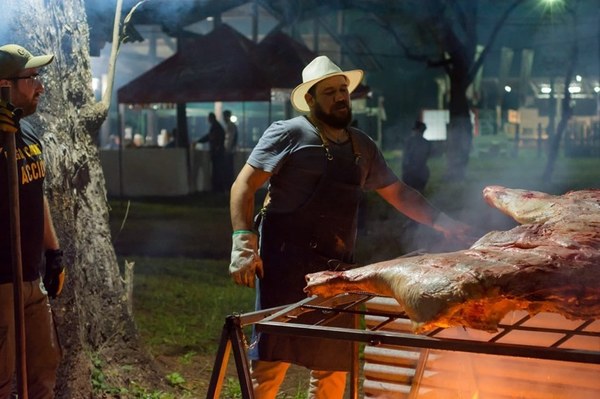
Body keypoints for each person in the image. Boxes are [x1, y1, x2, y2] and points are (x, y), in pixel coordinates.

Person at [229, 55, 470, 398]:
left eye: (343, 89)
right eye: (329, 92)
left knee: (332, 366)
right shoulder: (288, 133)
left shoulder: (362, 146)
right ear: (310, 100)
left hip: (337, 273)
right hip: (284, 270)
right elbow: (243, 186)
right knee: (271, 362)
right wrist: (243, 244)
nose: (340, 97)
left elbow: (399, 192)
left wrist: (442, 222)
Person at [0, 44, 64, 398]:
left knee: (42, 375)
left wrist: (53, 254)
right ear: (3, 85)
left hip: (31, 277)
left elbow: (35, 195)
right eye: (31, 78)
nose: (40, 85)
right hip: (0, 283)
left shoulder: (28, 135)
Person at [197, 112, 226, 192]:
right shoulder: (217, 126)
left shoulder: (215, 127)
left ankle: (218, 187)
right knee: (218, 169)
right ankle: (219, 187)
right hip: (218, 151)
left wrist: (199, 141)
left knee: (217, 170)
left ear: (211, 118)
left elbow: (210, 137)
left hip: (217, 152)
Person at [402, 120, 431, 193]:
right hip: (417, 173)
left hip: (414, 173)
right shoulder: (425, 143)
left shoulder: (410, 141)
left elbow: (406, 159)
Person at [223, 110, 238, 187]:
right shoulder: (230, 125)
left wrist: (227, 150)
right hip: (229, 150)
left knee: (229, 169)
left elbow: (230, 139)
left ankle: (229, 185)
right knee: (229, 169)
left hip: (229, 151)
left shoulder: (230, 126)